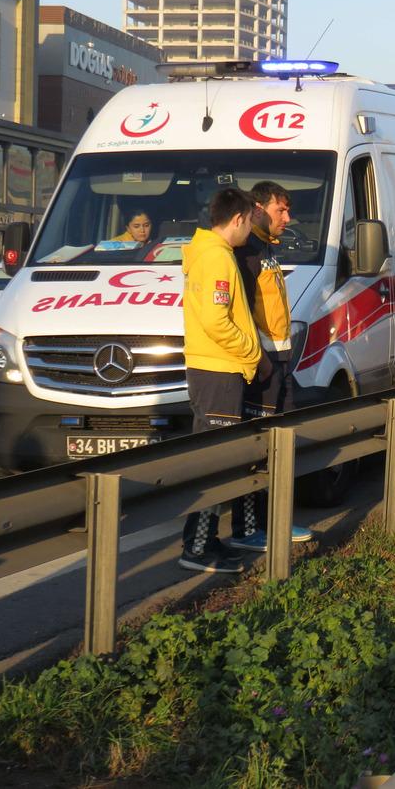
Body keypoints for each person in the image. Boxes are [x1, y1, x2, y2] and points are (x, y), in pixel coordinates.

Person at [226, 180, 314, 553]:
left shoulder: (265, 248)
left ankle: (273, 521)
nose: (288, 218)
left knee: (280, 446)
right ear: (258, 209)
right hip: (261, 366)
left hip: (279, 362)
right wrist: (259, 361)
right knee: (258, 450)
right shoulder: (247, 251)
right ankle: (249, 528)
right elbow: (241, 311)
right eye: (281, 209)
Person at [178, 187, 261, 573]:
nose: (250, 231)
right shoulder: (217, 257)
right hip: (219, 369)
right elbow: (216, 320)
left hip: (213, 368)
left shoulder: (209, 252)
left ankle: (207, 541)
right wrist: (250, 349)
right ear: (238, 218)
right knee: (215, 463)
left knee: (217, 460)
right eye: (249, 223)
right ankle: (196, 548)